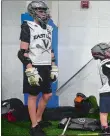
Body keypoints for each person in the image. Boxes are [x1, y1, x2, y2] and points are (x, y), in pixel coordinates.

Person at [17, 1, 58, 136]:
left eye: (44, 10)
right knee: (33, 96)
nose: (43, 12)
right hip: (34, 66)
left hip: (46, 65)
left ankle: (38, 119)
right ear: (33, 12)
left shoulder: (49, 28)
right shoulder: (27, 26)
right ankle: (34, 126)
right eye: (40, 10)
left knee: (47, 95)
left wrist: (53, 65)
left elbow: (49, 49)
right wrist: (29, 68)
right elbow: (22, 52)